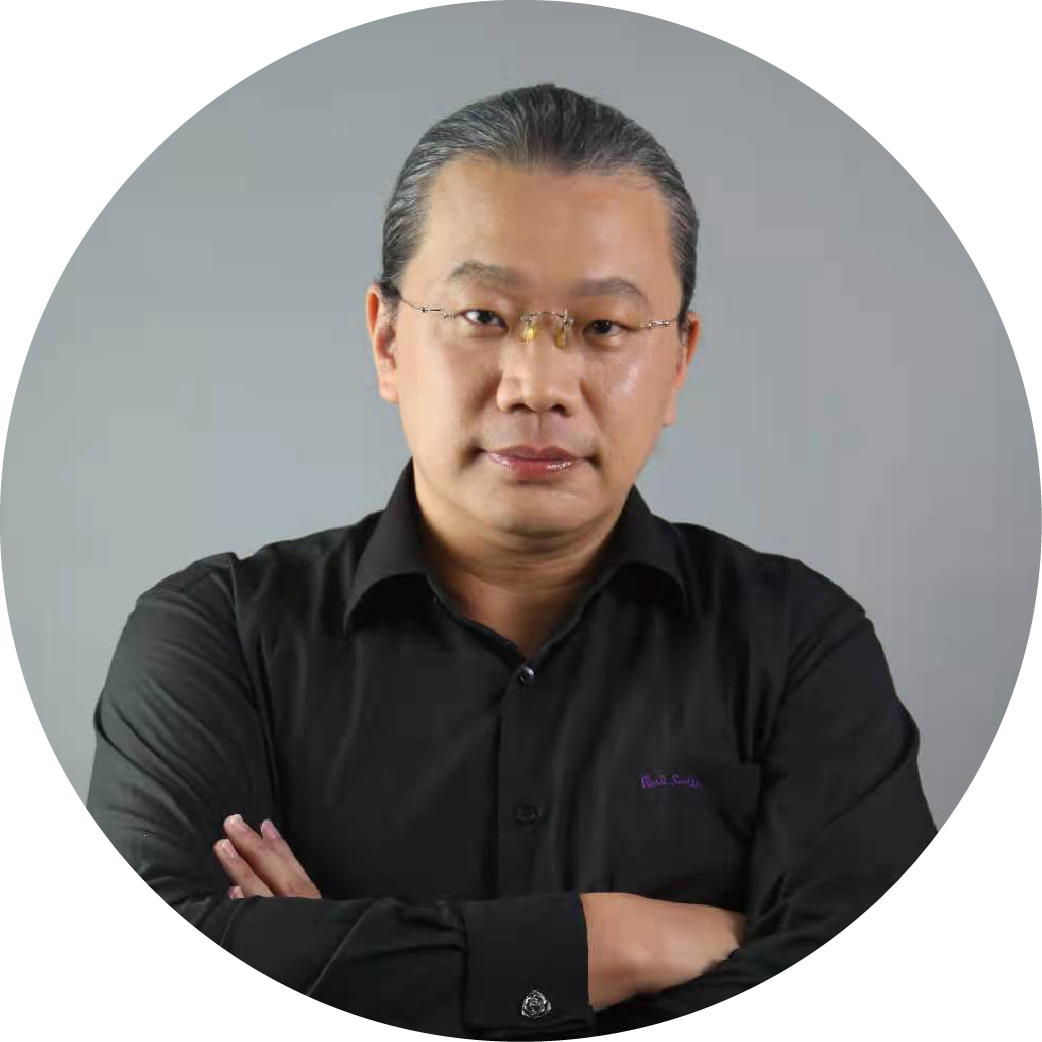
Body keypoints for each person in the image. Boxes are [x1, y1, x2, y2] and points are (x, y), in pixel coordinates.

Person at [86, 82, 938, 1036]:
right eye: (484, 317)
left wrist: (343, 960)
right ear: (387, 340)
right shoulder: (219, 639)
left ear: (679, 364)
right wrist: (617, 943)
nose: (538, 384)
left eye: (605, 327)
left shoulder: (798, 645)